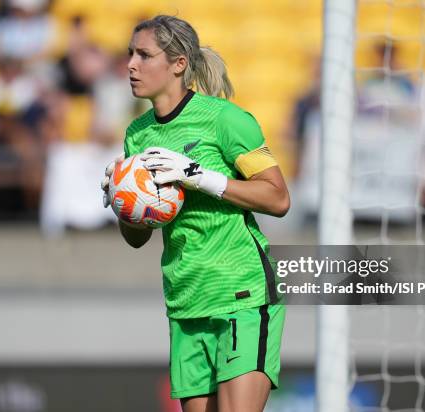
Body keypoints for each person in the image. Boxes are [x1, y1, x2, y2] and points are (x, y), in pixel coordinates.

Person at [100, 15, 290, 412]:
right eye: (130, 54)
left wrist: (198, 176)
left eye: (144, 55)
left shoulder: (225, 119)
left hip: (241, 293)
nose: (131, 65)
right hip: (186, 299)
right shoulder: (138, 133)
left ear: (179, 63)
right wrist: (124, 201)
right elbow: (137, 238)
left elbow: (277, 199)